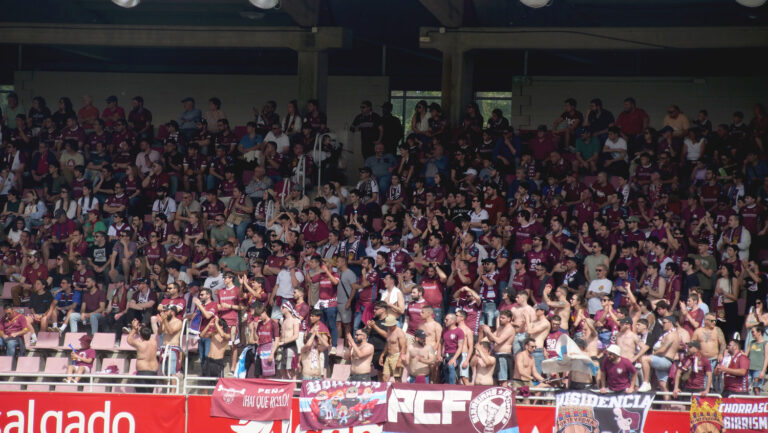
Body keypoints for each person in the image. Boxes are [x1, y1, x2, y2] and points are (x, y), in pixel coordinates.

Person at [639, 315, 680, 393]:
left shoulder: (672, 334)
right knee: (662, 385)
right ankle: (667, 405)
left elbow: (663, 349)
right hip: (662, 360)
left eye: (664, 323)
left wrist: (653, 354)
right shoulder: (669, 334)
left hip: (665, 360)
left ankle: (646, 382)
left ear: (671, 323)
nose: (662, 325)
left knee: (644, 359)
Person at [479, 309, 515, 386]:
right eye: (500, 318)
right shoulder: (500, 328)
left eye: (503, 318)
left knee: (503, 379)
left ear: (509, 319)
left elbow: (499, 341)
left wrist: (489, 332)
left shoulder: (510, 329)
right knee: (495, 378)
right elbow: (491, 338)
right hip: (497, 355)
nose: (500, 319)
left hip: (504, 356)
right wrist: (486, 332)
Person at [128, 320, 159, 393]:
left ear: (140, 336)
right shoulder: (154, 342)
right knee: (149, 394)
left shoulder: (140, 344)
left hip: (143, 372)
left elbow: (129, 339)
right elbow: (146, 335)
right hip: (153, 372)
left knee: (142, 395)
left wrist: (134, 329)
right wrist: (139, 328)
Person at [275, 301, 300, 380]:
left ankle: (293, 388)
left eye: (283, 307)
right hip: (281, 347)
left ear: (288, 308)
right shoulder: (282, 321)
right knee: (280, 368)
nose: (281, 309)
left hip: (290, 346)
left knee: (291, 369)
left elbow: (296, 335)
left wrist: (284, 342)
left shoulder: (294, 320)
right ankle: (286, 387)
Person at [157, 305, 184, 376]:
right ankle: (166, 387)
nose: (163, 313)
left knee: (172, 373)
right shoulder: (165, 322)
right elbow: (159, 332)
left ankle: (173, 387)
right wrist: (162, 321)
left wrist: (165, 320)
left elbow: (171, 332)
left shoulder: (178, 322)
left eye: (165, 311)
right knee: (164, 373)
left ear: (172, 312)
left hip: (173, 348)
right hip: (164, 348)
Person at [380, 314, 406, 382]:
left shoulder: (399, 332)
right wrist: (382, 355)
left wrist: (400, 360)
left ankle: (399, 391)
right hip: (389, 355)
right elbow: (388, 343)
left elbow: (403, 347)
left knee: (397, 378)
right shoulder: (389, 330)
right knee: (385, 377)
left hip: (397, 356)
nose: (387, 326)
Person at [441, 313, 464, 385]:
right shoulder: (444, 330)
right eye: (445, 319)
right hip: (446, 355)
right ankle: (447, 385)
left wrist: (454, 358)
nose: (445, 321)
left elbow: (460, 347)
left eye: (447, 320)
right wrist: (440, 354)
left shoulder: (459, 331)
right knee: (445, 372)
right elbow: (441, 343)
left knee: (451, 367)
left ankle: (452, 386)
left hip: (454, 354)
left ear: (453, 321)